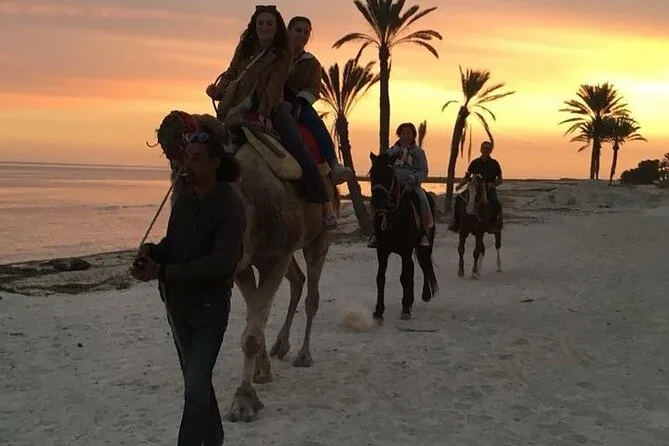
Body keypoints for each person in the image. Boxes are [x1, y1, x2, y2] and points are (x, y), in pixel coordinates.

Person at [130, 129, 246, 446]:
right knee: (198, 382)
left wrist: (163, 271)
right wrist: (151, 253)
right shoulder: (183, 201)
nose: (187, 165)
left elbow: (222, 262)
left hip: (208, 308)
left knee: (195, 385)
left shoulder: (230, 206)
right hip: (177, 305)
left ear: (215, 163)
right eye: (186, 158)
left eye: (196, 159)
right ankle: (215, 438)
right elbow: (174, 246)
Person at [205, 5, 337, 228]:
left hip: (275, 106)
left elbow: (275, 85)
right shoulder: (245, 49)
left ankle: (324, 202)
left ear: (277, 28)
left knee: (295, 143)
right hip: (239, 106)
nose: (264, 27)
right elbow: (232, 72)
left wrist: (265, 113)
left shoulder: (284, 54)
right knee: (210, 140)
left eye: (269, 23)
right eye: (261, 23)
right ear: (255, 25)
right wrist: (219, 90)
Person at [285, 16, 353, 186]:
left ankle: (334, 165)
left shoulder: (312, 63)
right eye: (298, 30)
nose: (302, 35)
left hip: (298, 103)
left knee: (315, 123)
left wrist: (300, 101)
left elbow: (314, 88)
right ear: (288, 31)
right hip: (272, 100)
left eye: (306, 32)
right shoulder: (274, 56)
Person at [367, 122, 433, 248]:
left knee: (423, 200)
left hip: (411, 185)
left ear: (413, 135)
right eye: (403, 133)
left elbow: (424, 171)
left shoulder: (418, 152)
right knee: (377, 202)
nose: (406, 136)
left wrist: (414, 178)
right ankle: (375, 232)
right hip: (394, 186)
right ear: (399, 135)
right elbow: (381, 164)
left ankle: (424, 232)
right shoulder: (392, 151)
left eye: (409, 133)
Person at [447, 140, 503, 233]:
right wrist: (460, 185)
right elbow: (467, 176)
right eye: (484, 148)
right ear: (481, 149)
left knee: (495, 202)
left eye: (488, 148)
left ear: (491, 150)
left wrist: (493, 184)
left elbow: (500, 179)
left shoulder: (494, 163)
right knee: (458, 199)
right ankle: (456, 223)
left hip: (488, 189)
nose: (486, 150)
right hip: (473, 187)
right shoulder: (475, 162)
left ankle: (493, 224)